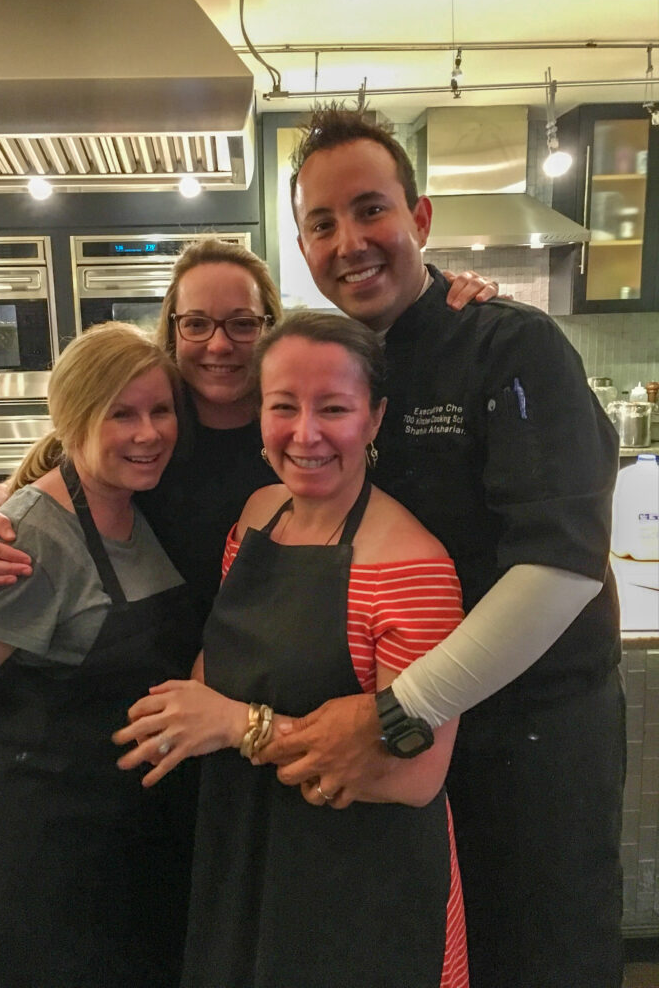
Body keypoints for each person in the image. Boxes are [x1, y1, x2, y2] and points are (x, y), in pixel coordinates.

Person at [252, 107, 625, 988]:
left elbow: (563, 564)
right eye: (322, 222)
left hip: (524, 740)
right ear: (302, 246)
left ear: (419, 221)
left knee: (538, 953)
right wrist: (8, 498)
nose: (350, 241)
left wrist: (399, 709)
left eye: (371, 209)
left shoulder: (511, 344)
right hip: (409, 751)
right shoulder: (342, 364)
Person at [114, 310, 469, 988]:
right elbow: (217, 669)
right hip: (248, 847)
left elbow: (415, 776)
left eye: (333, 408)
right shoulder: (256, 516)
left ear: (374, 418)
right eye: (283, 407)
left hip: (366, 882)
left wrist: (237, 726)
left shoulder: (411, 565)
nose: (305, 434)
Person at [0, 238, 500, 618]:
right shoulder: (151, 429)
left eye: (241, 324)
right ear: (174, 329)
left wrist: (444, 301)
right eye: (197, 324)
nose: (218, 345)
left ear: (268, 328)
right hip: (157, 678)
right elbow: (54, 472)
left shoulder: (302, 432)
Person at [0, 322, 202, 988]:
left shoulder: (136, 505)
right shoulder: (30, 535)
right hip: (38, 843)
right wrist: (29, 753)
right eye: (121, 413)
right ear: (71, 417)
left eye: (160, 410)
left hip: (118, 831)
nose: (148, 433)